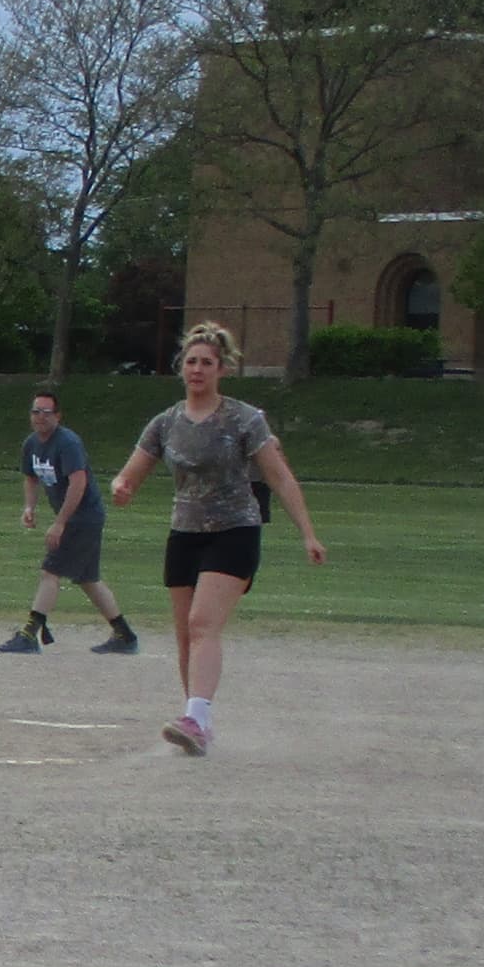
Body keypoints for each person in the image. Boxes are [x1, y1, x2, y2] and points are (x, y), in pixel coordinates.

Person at [105, 320, 326, 755]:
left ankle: (197, 719)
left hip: (235, 531)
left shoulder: (244, 419)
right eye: (191, 361)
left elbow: (279, 476)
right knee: (186, 635)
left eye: (207, 362)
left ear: (222, 369)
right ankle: (197, 720)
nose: (198, 369)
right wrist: (121, 487)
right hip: (184, 532)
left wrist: (308, 534)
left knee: (203, 624)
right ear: (181, 368)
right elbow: (131, 472)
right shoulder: (166, 423)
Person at [0, 390, 136, 655]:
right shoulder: (32, 444)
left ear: (57, 416)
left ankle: (29, 634)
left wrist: (60, 523)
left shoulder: (67, 442)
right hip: (76, 517)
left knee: (51, 571)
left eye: (46, 412)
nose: (40, 417)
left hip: (83, 517)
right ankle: (125, 635)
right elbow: (31, 477)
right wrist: (29, 507)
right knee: (88, 579)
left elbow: (78, 481)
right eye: (35, 411)